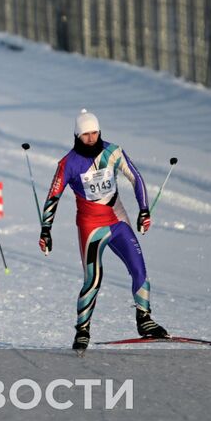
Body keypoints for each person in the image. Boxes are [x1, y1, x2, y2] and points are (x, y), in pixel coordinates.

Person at [40, 109, 167, 351]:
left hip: (118, 220)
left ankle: (145, 320)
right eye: (86, 134)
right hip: (91, 226)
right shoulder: (68, 163)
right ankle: (82, 331)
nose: (91, 138)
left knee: (139, 269)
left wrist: (144, 210)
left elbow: (136, 178)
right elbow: (52, 197)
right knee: (94, 279)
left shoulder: (113, 151)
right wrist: (46, 230)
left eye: (95, 132)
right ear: (77, 135)